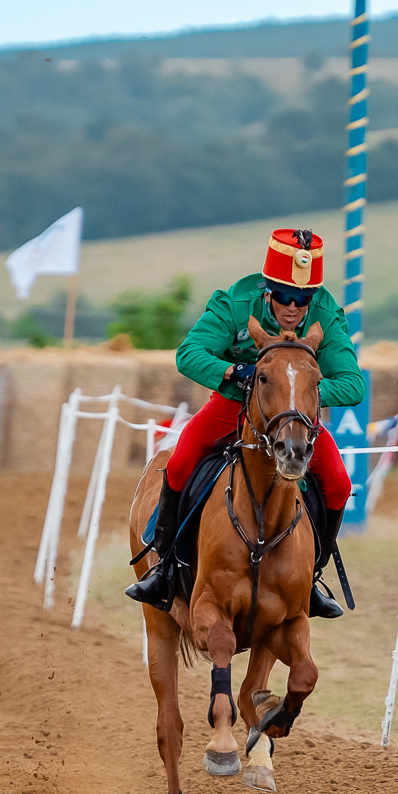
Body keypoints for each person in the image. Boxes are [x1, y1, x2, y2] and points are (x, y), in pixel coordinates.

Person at [126, 228, 361, 619]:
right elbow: (189, 354)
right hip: (232, 404)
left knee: (338, 482)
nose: (293, 308)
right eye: (285, 296)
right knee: (182, 461)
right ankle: (164, 568)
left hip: (293, 417)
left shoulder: (327, 313)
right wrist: (236, 372)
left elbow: (352, 383)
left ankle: (311, 579)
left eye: (303, 300)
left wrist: (300, 393)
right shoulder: (234, 302)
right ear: (268, 290)